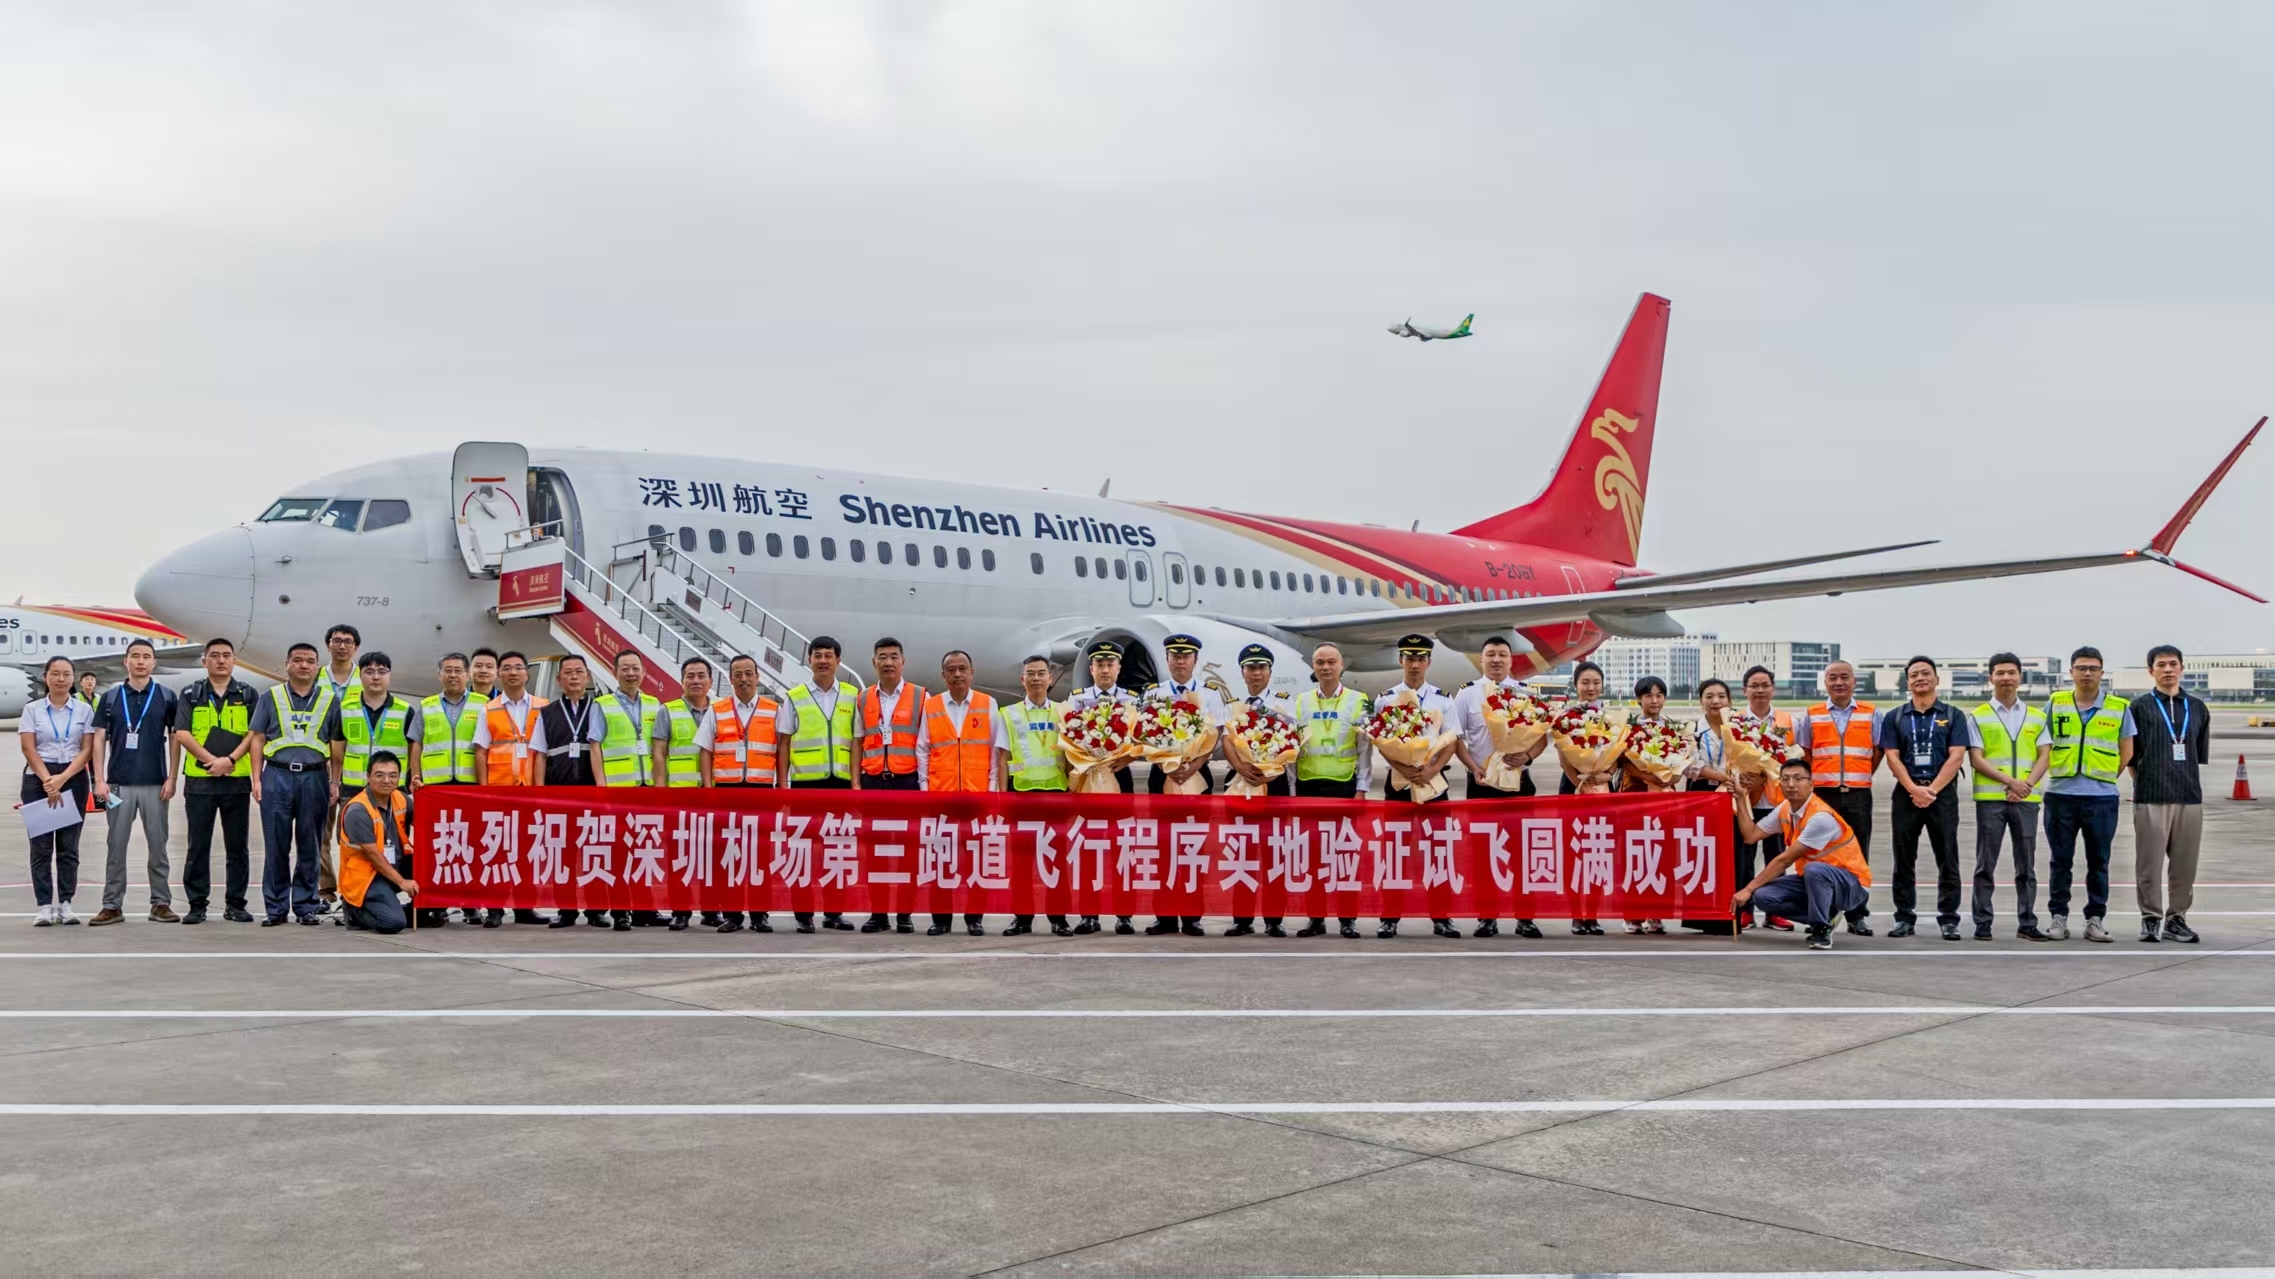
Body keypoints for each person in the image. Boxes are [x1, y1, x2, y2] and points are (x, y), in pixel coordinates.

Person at [1727, 757, 1875, 951]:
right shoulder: (1785, 809)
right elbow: (1751, 836)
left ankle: (1821, 929)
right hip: (1814, 881)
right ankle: (1827, 915)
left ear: (1811, 784)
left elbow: (1785, 860)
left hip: (1851, 884)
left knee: (1814, 869)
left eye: (1798, 779)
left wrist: (1746, 889)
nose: (1791, 784)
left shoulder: (1820, 817)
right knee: (1762, 896)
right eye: (1785, 779)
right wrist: (1740, 798)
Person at [2042, 646, 2134, 943]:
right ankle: (2058, 917)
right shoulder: (2055, 703)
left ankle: (2095, 919)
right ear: (2071, 672)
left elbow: (2127, 751)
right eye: (2081, 668)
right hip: (2060, 795)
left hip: (2101, 798)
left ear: (2102, 673)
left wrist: (2104, 777)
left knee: (2099, 861)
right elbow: (2042, 744)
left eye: (2093, 668)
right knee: (2060, 861)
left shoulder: (2119, 707)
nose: (2087, 673)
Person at [1877, 656, 1970, 940]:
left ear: (1936, 679)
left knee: (1948, 857)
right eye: (1914, 674)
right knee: (1903, 858)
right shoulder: (1895, 717)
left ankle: (1949, 918)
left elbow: (1956, 756)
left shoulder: (1953, 715)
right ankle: (1904, 917)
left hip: (1942, 795)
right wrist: (1913, 789)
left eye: (1926, 673)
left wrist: (1931, 791)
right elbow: (1892, 757)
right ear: (1907, 682)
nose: (1920, 678)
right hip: (1907, 795)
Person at [88, 639, 180, 925]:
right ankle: (112, 905)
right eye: (135, 656)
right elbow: (99, 739)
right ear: (125, 661)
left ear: (154, 662)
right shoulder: (111, 698)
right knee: (116, 846)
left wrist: (172, 777)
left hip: (155, 784)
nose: (141, 661)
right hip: (118, 784)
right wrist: (99, 780)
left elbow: (176, 737)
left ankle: (161, 903)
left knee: (158, 846)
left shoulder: (166, 696)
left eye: (146, 656)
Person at [246, 643, 339, 926]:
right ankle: (275, 908)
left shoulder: (329, 699)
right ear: (287, 664)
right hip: (277, 775)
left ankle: (305, 906)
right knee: (276, 845)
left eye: (310, 661)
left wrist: (334, 781)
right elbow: (257, 738)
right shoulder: (270, 696)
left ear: (317, 666)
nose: (303, 665)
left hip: (314, 777)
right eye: (297, 660)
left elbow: (336, 743)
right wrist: (257, 778)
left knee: (310, 845)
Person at [1791, 659, 1882, 936]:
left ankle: (1857, 914)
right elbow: (1806, 754)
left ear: (1854, 681)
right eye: (1833, 678)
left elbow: (1877, 752)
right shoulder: (1812, 714)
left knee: (1857, 854)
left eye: (1844, 677)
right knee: (1819, 854)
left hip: (1858, 794)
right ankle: (1823, 914)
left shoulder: (1871, 713)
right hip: (1823, 796)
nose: (1839, 682)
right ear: (1825, 682)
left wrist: (1859, 776)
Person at [172, 638, 260, 925]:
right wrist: (212, 761)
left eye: (226, 655)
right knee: (198, 846)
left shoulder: (248, 694)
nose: (221, 660)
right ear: (204, 661)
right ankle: (197, 904)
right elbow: (182, 733)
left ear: (234, 661)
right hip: (200, 781)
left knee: (238, 847)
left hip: (236, 780)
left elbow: (254, 734)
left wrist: (230, 760)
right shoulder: (191, 693)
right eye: (214, 655)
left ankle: (236, 904)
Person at [1142, 634, 1225, 936]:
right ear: (1167, 660)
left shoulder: (1210, 693)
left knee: (1194, 848)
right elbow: (1144, 734)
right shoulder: (1153, 693)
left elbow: (1216, 735)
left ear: (1195, 660)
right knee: (1163, 848)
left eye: (1185, 656)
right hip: (1161, 775)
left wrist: (1193, 766)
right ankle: (1164, 916)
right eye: (1174, 656)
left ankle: (1191, 916)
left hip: (1197, 777)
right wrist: (1168, 764)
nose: (1180, 661)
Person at [2129, 644, 2210, 944]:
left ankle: (2176, 918)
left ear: (2182, 668)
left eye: (2173, 664)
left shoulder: (2198, 708)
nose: (2167, 669)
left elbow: (2196, 754)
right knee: (2148, 864)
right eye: (2161, 665)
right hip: (2151, 797)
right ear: (2150, 670)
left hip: (2189, 797)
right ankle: (2150, 918)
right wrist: (2146, 782)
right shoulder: (2138, 707)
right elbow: (2131, 757)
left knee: (2184, 865)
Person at [1967, 653, 2052, 941]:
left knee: (2026, 865)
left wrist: (2026, 785)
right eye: (2000, 673)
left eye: (2011, 673)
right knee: (1985, 864)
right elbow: (1976, 759)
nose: (2006, 678)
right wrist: (2011, 783)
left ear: (2020, 677)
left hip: (2026, 800)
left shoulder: (2037, 717)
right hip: (1991, 800)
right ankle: (1982, 922)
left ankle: (2027, 923)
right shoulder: (1978, 716)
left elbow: (2044, 756)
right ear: (1991, 678)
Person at [778, 636, 857, 933]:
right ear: (809, 660)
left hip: (841, 784)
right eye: (817, 655)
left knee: (836, 849)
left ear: (838, 660)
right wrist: (783, 785)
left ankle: (834, 913)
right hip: (805, 785)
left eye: (828, 655)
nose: (823, 660)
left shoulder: (852, 695)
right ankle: (804, 914)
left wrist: (856, 784)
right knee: (803, 852)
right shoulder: (794, 696)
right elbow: (784, 742)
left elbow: (857, 741)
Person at [1294, 643, 1369, 940]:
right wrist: (1292, 790)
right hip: (1308, 785)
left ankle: (1347, 919)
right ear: (1313, 667)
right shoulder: (1301, 702)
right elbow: (1293, 751)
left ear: (1341, 665)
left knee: (1345, 856)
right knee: (1313, 858)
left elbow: (1365, 749)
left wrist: (1362, 788)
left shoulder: (1359, 700)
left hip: (1344, 786)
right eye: (1320, 662)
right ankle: (1316, 918)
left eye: (1331, 662)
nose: (1325, 667)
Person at [921, 650, 999, 936]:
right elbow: (922, 751)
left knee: (976, 861)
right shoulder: (931, 706)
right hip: (941, 797)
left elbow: (994, 752)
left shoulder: (987, 704)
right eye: (951, 670)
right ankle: (941, 919)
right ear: (943, 675)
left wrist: (991, 791)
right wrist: (925, 791)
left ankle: (974, 918)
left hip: (977, 797)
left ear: (971, 673)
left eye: (962, 669)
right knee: (941, 860)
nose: (957, 674)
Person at [468, 651, 546, 926]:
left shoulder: (542, 706)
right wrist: (483, 790)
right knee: (497, 851)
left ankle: (525, 908)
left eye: (518, 668)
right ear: (500, 674)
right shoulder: (489, 709)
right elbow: (481, 752)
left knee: (527, 850)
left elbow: (543, 752)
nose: (513, 672)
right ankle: (495, 909)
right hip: (499, 791)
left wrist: (541, 790)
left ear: (527, 673)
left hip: (530, 790)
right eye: (507, 668)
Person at [1224, 643, 1297, 937]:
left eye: (1261, 668)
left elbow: (1292, 742)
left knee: (1274, 854)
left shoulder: (1284, 703)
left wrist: (1268, 772)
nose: (1256, 673)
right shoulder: (1233, 705)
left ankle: (1274, 920)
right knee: (1242, 853)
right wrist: (1242, 767)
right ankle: (1242, 919)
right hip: (1241, 782)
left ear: (1269, 672)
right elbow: (1227, 741)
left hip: (1273, 783)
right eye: (1251, 668)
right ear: (1242, 673)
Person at [997, 654, 1072, 937]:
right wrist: (1002, 797)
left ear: (1051, 678)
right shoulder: (1009, 714)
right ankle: (1022, 918)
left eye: (1041, 673)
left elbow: (1072, 755)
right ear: (1022, 679)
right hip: (1021, 794)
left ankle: (1059, 918)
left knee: (1057, 861)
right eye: (1031, 673)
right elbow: (1002, 758)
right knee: (1022, 862)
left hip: (1056, 793)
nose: (1036, 678)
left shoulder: (1063, 713)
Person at [537, 655, 614, 930]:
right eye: (568, 672)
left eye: (579, 672)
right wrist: (539, 794)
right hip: (558, 794)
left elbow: (599, 748)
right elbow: (539, 755)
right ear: (559, 679)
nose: (573, 677)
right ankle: (566, 910)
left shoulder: (599, 708)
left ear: (588, 677)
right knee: (563, 854)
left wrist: (602, 791)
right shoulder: (547, 713)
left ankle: (597, 910)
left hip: (590, 792)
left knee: (595, 851)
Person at [1067, 640, 1138, 934]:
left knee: (1123, 847)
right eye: (1100, 665)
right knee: (1089, 849)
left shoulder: (1131, 699)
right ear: (1091, 669)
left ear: (1119, 668)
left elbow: (1142, 737)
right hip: (1089, 778)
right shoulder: (1077, 699)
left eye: (1110, 664)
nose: (1105, 670)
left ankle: (1124, 915)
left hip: (1119, 775)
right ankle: (1089, 915)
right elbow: (1068, 736)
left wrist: (1128, 757)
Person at [413, 653, 489, 926]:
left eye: (458, 670)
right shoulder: (427, 705)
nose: (453, 675)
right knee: (439, 846)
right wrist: (416, 775)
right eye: (448, 670)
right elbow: (417, 743)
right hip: (436, 788)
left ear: (467, 675)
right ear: (439, 675)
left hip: (470, 786)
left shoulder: (483, 704)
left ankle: (471, 904)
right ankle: (438, 903)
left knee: (472, 846)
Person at [855, 637, 924, 933]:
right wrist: (856, 784)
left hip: (907, 782)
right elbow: (857, 742)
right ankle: (879, 913)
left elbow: (926, 743)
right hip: (873, 782)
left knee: (909, 852)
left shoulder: (921, 696)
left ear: (903, 662)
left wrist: (924, 785)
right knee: (875, 852)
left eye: (894, 657)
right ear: (874, 663)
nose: (888, 662)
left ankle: (905, 914)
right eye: (882, 657)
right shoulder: (863, 698)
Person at [592, 650, 664, 930]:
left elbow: (659, 748)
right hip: (618, 791)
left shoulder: (654, 704)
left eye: (635, 668)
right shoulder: (602, 704)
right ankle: (621, 911)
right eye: (625, 669)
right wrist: (601, 787)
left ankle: (646, 910)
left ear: (644, 672)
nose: (631, 673)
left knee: (646, 851)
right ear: (615, 672)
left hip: (647, 790)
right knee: (620, 853)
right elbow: (595, 746)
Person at [22, 656, 94, 925]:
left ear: (73, 678)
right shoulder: (33, 709)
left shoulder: (84, 710)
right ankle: (43, 905)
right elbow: (28, 747)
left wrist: (62, 779)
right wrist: (48, 781)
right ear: (45, 677)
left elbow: (87, 749)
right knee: (41, 847)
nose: (61, 679)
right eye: (55, 673)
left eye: (66, 674)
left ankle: (66, 903)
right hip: (38, 778)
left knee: (68, 846)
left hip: (73, 777)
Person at [711, 654, 779, 934]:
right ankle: (732, 915)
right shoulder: (718, 709)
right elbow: (705, 750)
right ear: (730, 678)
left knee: (760, 855)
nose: (743, 679)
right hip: (727, 792)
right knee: (730, 854)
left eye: (749, 673)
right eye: (737, 674)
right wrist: (708, 790)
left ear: (758, 676)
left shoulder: (773, 710)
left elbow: (782, 748)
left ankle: (760, 915)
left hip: (761, 791)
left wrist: (781, 786)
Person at [652, 657, 718, 932]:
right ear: (682, 681)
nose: (696, 681)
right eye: (690, 676)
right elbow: (659, 752)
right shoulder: (668, 711)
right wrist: (660, 791)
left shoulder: (721, 710)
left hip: (713, 795)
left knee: (713, 855)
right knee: (679, 856)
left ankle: (712, 910)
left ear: (711, 681)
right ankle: (680, 911)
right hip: (679, 795)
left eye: (701, 675)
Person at [1617, 675, 1686, 935]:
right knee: (1634, 854)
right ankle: (1632, 915)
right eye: (1648, 695)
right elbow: (1622, 760)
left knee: (1663, 855)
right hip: (1634, 794)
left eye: (1659, 695)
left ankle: (1656, 913)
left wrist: (1670, 776)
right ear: (1639, 699)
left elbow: (1683, 761)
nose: (1654, 700)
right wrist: (1647, 776)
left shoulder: (1675, 728)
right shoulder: (1628, 727)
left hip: (1664, 796)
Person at [1736, 665, 1796, 931]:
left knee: (1777, 858)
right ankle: (1744, 910)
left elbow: (1795, 757)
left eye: (1764, 685)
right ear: (1745, 690)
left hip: (1777, 801)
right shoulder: (1735, 721)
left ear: (1773, 689)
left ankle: (1774, 911)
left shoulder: (1787, 721)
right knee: (1743, 859)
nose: (1759, 690)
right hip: (1746, 800)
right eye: (1754, 686)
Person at [1557, 659, 1613, 936]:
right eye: (1585, 682)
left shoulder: (1611, 718)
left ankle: (1593, 914)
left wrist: (1607, 775)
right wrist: (1578, 782)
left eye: (1596, 682)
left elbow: (1618, 754)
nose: (1591, 687)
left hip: (1601, 788)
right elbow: (1563, 755)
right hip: (1573, 788)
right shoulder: (1565, 717)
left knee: (1597, 853)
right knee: (1573, 854)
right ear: (1576, 685)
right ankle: (1576, 915)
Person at [336, 750, 419, 935]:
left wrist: (422, 793)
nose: (386, 780)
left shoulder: (401, 798)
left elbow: (428, 822)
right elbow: (373, 855)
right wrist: (402, 882)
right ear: (368, 776)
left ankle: (410, 910)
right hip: (368, 874)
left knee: (436, 872)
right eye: (379, 775)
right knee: (393, 923)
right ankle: (354, 911)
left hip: (395, 864)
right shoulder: (358, 810)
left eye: (393, 775)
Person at [312, 624, 361, 915]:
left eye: (348, 641)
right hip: (320, 764)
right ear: (328, 644)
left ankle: (354, 888)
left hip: (354, 767)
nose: (342, 646)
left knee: (353, 833)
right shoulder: (315, 678)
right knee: (321, 831)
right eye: (336, 641)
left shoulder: (365, 678)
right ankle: (324, 889)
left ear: (356, 647)